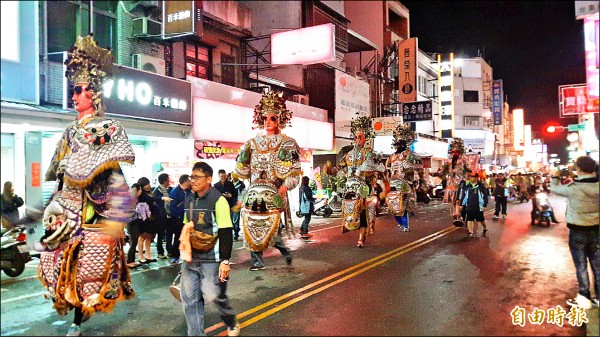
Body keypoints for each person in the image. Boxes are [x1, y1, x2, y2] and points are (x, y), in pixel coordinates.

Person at [37, 35, 136, 337]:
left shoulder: (106, 130)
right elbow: (58, 177)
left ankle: (78, 323)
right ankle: (73, 314)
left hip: (93, 214)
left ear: (93, 94)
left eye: (79, 91)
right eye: (73, 90)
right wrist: (50, 207)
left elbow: (116, 175)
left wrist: (117, 215)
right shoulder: (69, 133)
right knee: (54, 263)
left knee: (88, 272)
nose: (74, 96)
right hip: (66, 212)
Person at [235, 91, 300, 269]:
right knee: (250, 224)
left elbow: (294, 173)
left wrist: (284, 187)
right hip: (254, 193)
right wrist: (241, 158)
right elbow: (242, 169)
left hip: (273, 194)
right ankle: (257, 261)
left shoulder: (288, 143)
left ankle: (285, 252)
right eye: (265, 118)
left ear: (280, 120)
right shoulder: (252, 143)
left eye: (272, 118)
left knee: (271, 228)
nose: (268, 122)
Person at [177, 161, 239, 336]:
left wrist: (225, 261)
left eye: (197, 177)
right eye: (192, 177)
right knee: (189, 298)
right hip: (192, 258)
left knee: (214, 296)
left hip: (213, 258)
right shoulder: (189, 198)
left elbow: (226, 231)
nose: (193, 181)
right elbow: (185, 226)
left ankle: (230, 319)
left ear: (209, 179)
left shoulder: (218, 200)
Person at [551, 156, 599, 309]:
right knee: (597, 265)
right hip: (596, 230)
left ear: (578, 169)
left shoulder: (574, 188)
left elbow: (554, 188)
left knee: (581, 265)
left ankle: (584, 297)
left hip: (578, 232)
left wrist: (555, 176)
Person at [338, 115, 385, 246]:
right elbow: (342, 168)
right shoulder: (349, 154)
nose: (357, 140)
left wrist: (366, 171)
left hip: (364, 186)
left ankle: (364, 233)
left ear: (365, 139)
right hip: (350, 186)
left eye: (360, 137)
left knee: (365, 209)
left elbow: (378, 167)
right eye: (356, 137)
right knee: (345, 202)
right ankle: (345, 223)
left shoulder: (368, 153)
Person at [385, 123, 417, 232]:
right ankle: (400, 222)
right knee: (393, 205)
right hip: (393, 183)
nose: (399, 145)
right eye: (398, 143)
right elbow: (387, 166)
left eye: (401, 143)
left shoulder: (408, 154)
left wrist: (405, 164)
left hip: (404, 184)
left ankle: (405, 225)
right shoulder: (392, 156)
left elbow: (411, 167)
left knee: (402, 206)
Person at [457, 170, 489, 237]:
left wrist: (484, 205)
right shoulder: (467, 185)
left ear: (476, 178)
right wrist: (461, 205)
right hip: (469, 205)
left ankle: (485, 228)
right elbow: (464, 196)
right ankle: (470, 232)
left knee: (481, 219)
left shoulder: (481, 186)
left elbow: (485, 196)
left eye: (472, 177)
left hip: (478, 206)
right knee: (469, 219)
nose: (470, 178)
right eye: (470, 177)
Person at [168, 174, 191, 264]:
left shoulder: (190, 192)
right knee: (178, 237)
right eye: (189, 181)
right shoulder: (175, 192)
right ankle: (175, 256)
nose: (190, 182)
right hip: (178, 219)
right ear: (185, 181)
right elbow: (172, 207)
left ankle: (187, 254)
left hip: (188, 219)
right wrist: (182, 213)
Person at [153, 173, 173, 259]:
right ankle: (160, 252)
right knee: (160, 234)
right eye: (168, 179)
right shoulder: (157, 190)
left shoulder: (171, 189)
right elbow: (154, 201)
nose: (169, 181)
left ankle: (169, 250)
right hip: (161, 215)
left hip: (170, 215)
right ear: (164, 180)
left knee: (169, 234)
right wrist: (162, 199)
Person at [214, 169, 238, 238]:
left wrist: (231, 195)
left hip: (229, 205)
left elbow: (235, 194)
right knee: (220, 222)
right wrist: (222, 195)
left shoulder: (230, 184)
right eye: (222, 176)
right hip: (219, 207)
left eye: (224, 176)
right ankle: (220, 235)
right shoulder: (216, 185)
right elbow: (214, 195)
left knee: (229, 221)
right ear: (218, 176)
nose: (223, 178)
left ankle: (229, 236)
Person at [126, 183, 144, 268]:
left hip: (135, 222)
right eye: (140, 189)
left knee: (134, 242)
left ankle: (132, 260)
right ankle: (129, 261)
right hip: (132, 223)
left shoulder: (135, 199)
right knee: (133, 242)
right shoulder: (131, 199)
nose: (141, 191)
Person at [230, 172, 245, 241]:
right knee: (230, 220)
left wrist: (240, 203)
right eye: (233, 176)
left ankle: (236, 234)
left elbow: (242, 194)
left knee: (235, 220)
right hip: (229, 204)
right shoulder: (229, 183)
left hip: (237, 204)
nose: (234, 177)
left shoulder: (241, 185)